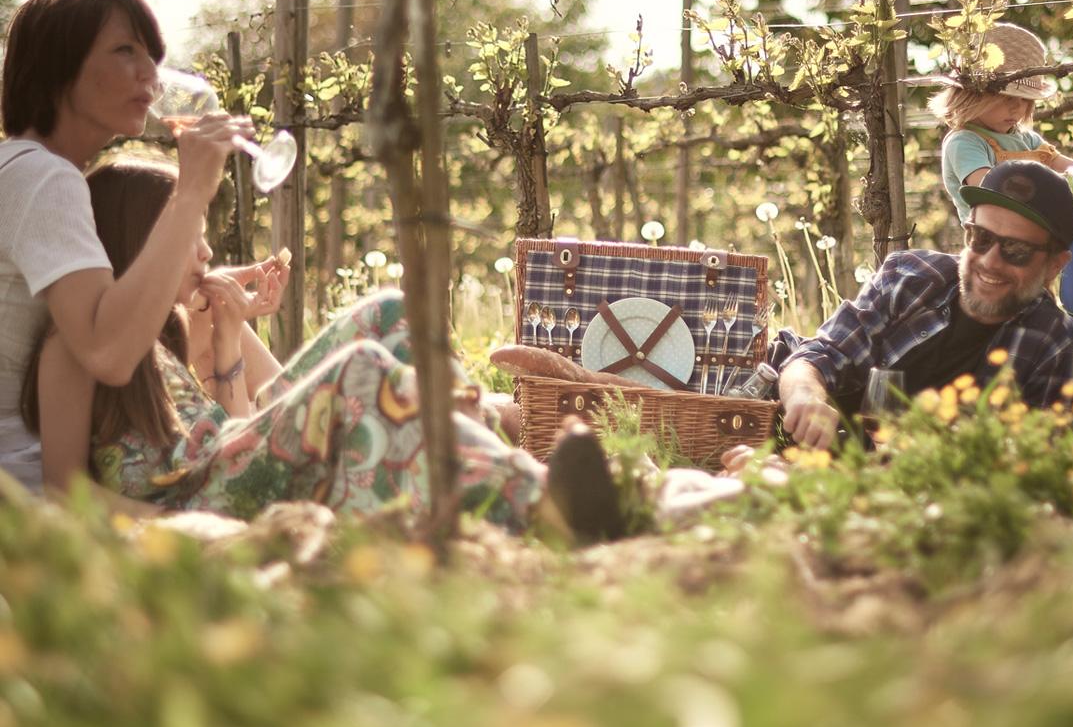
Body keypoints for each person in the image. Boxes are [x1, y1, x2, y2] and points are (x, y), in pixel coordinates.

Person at [21, 156, 625, 542]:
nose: (206, 256)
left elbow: (252, 416)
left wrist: (234, 334)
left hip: (238, 465)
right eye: (189, 240)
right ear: (138, 246)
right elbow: (61, 492)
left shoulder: (174, 332)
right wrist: (185, 531)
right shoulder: (77, 350)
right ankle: (539, 495)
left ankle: (481, 464)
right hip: (200, 496)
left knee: (388, 310)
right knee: (359, 372)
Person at [0, 0, 245, 492]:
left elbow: (102, 315)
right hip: (26, 499)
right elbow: (108, 352)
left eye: (152, 56)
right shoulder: (44, 177)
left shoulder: (22, 171)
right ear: (58, 67)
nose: (150, 75)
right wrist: (193, 190)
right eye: (124, 50)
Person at [779, 160, 1073, 449]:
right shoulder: (909, 277)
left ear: (1055, 265)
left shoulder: (1055, 345)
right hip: (822, 470)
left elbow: (1037, 468)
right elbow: (823, 354)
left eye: (1017, 249)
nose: (990, 261)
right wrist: (805, 397)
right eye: (981, 237)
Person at [923, 21, 1073, 310]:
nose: (1017, 109)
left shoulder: (1023, 138)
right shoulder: (965, 142)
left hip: (1038, 238)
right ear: (972, 95)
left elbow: (1063, 164)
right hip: (997, 244)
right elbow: (993, 192)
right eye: (1006, 98)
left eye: (1024, 101)